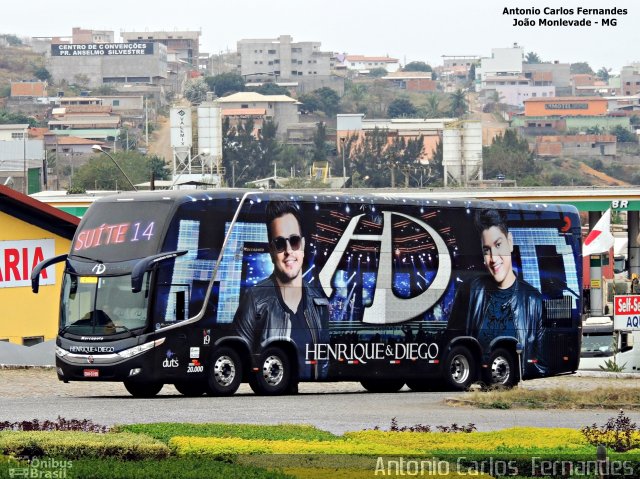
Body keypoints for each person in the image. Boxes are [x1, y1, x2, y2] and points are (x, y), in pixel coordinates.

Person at [233, 200, 329, 380]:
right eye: (279, 244)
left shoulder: (319, 301)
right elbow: (240, 357)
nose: (288, 251)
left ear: (303, 245)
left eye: (294, 241)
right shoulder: (254, 299)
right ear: (271, 250)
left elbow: (323, 360)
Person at [448, 209, 546, 379]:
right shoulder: (469, 292)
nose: (493, 258)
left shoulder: (532, 299)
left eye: (498, 245)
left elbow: (540, 363)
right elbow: (450, 346)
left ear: (510, 242)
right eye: (487, 250)